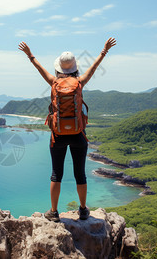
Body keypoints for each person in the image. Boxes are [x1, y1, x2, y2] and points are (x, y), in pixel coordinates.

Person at [18, 37, 117, 222]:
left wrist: (29, 55)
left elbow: (39, 69)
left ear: (59, 68)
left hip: (58, 136)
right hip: (79, 135)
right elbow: (94, 67)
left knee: (56, 173)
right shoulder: (80, 82)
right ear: (74, 68)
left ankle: (54, 212)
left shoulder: (53, 82)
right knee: (80, 173)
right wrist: (104, 50)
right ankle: (83, 210)